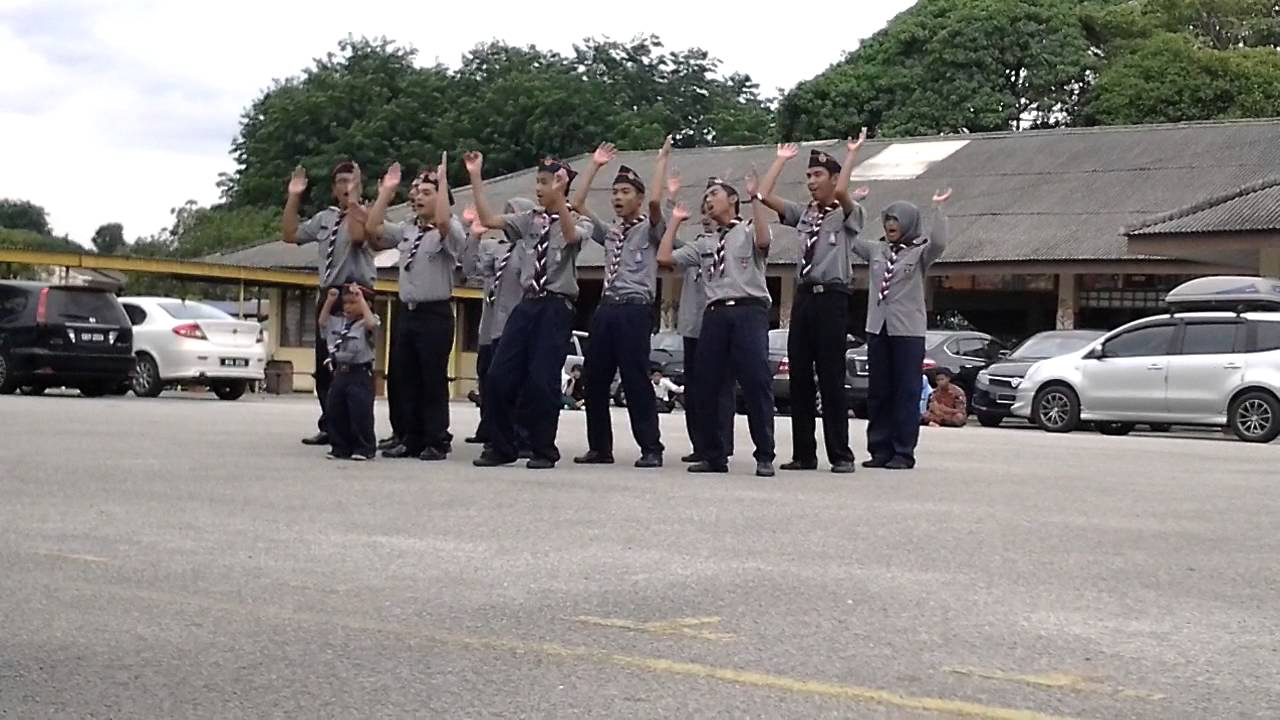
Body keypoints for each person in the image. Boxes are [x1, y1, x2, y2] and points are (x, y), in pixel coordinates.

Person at [465, 152, 595, 469]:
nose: (539, 188)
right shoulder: (530, 219)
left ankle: (542, 449)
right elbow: (490, 219)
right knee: (497, 375)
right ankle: (502, 445)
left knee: (542, 380)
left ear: (560, 186)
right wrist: (475, 176)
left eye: (545, 182)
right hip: (527, 303)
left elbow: (569, 236)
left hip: (555, 306)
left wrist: (562, 200)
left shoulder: (580, 221)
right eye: (537, 181)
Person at [757, 132, 869, 474]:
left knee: (831, 377)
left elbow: (841, 193)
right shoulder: (803, 214)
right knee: (800, 378)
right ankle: (804, 454)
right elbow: (762, 196)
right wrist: (780, 160)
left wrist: (851, 154)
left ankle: (841, 454)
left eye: (817, 175)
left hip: (832, 299)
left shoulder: (847, 214)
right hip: (804, 297)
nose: (811, 182)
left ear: (834, 178)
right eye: (808, 176)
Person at [658, 174, 776, 477]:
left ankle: (764, 454)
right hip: (715, 314)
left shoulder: (748, 230)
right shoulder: (705, 244)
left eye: (714, 194)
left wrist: (756, 199)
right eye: (706, 196)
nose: (708, 200)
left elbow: (764, 242)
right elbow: (664, 258)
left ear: (732, 200)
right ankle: (713, 454)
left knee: (755, 382)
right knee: (707, 384)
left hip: (748, 310)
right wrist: (675, 221)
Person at [569, 137, 674, 468]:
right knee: (595, 379)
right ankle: (600, 447)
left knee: (635, 377)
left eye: (625, 192)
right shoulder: (611, 232)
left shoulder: (650, 230)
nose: (617, 198)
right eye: (615, 193)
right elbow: (577, 202)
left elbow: (657, 202)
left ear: (638, 198)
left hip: (634, 309)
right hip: (607, 308)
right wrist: (595, 165)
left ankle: (651, 448)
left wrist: (661, 161)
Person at [366, 154, 464, 461]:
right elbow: (374, 228)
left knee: (431, 378)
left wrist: (445, 179)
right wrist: (387, 191)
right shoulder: (409, 229)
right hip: (406, 310)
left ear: (442, 198)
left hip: (434, 312)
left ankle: (436, 438)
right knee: (402, 376)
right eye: (417, 192)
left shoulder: (448, 230)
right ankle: (409, 436)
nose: (418, 198)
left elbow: (446, 221)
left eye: (426, 193)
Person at [858, 188, 953, 470]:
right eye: (887, 221)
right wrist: (855, 203)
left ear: (909, 224)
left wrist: (938, 209)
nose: (890, 226)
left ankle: (903, 451)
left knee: (906, 392)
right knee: (879, 392)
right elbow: (848, 237)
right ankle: (879, 449)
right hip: (878, 328)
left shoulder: (920, 253)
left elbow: (940, 242)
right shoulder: (876, 250)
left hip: (907, 332)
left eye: (896, 221)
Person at [282, 161, 373, 447]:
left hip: (354, 292)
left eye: (351, 181)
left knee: (353, 361)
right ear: (334, 189)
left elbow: (358, 238)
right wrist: (294, 195)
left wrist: (356, 200)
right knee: (326, 363)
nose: (346, 187)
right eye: (341, 182)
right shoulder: (325, 218)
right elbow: (290, 234)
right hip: (328, 292)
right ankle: (330, 423)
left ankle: (355, 431)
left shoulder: (365, 215)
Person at [666, 175, 736, 464]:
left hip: (719, 324)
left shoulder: (732, 244)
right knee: (695, 389)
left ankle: (723, 443)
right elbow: (665, 242)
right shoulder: (696, 249)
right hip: (693, 327)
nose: (708, 220)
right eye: (704, 217)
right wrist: (672, 205)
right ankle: (701, 443)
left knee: (721, 388)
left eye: (711, 216)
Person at [461, 198, 536, 456]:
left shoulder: (530, 248)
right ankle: (490, 427)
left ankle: (519, 434)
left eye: (514, 214)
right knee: (488, 377)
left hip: (515, 324)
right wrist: (474, 239)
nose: (508, 219)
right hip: (490, 323)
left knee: (515, 384)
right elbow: (471, 269)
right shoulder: (495, 248)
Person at [319, 283, 380, 461]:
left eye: (352, 303)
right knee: (335, 409)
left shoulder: (367, 322)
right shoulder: (340, 322)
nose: (347, 307)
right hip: (340, 372)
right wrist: (330, 301)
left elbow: (371, 324)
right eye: (345, 303)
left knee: (359, 412)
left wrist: (360, 298)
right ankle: (340, 447)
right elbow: (323, 322)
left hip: (359, 373)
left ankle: (364, 448)